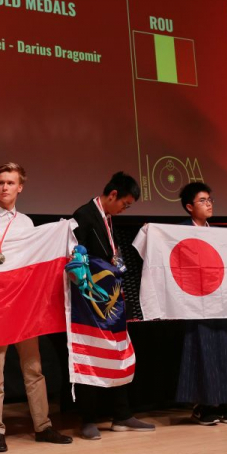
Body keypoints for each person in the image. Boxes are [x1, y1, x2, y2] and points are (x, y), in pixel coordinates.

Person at [0, 163, 71, 452]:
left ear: (20, 187)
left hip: (23, 308)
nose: (5, 188)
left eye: (10, 183)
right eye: (1, 182)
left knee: (34, 370)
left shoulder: (27, 224)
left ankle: (42, 426)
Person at [71, 171, 155, 440]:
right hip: (88, 303)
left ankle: (122, 414)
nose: (124, 209)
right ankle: (87, 419)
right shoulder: (83, 215)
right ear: (113, 194)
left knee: (118, 352)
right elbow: (76, 258)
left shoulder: (107, 218)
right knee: (90, 355)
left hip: (111, 299)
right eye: (125, 203)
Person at [176, 182, 227, 425]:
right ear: (189, 207)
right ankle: (202, 405)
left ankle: (222, 403)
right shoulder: (180, 232)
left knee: (224, 346)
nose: (209, 204)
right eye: (203, 200)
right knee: (200, 348)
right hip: (195, 300)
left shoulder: (218, 233)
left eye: (210, 200)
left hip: (220, 298)